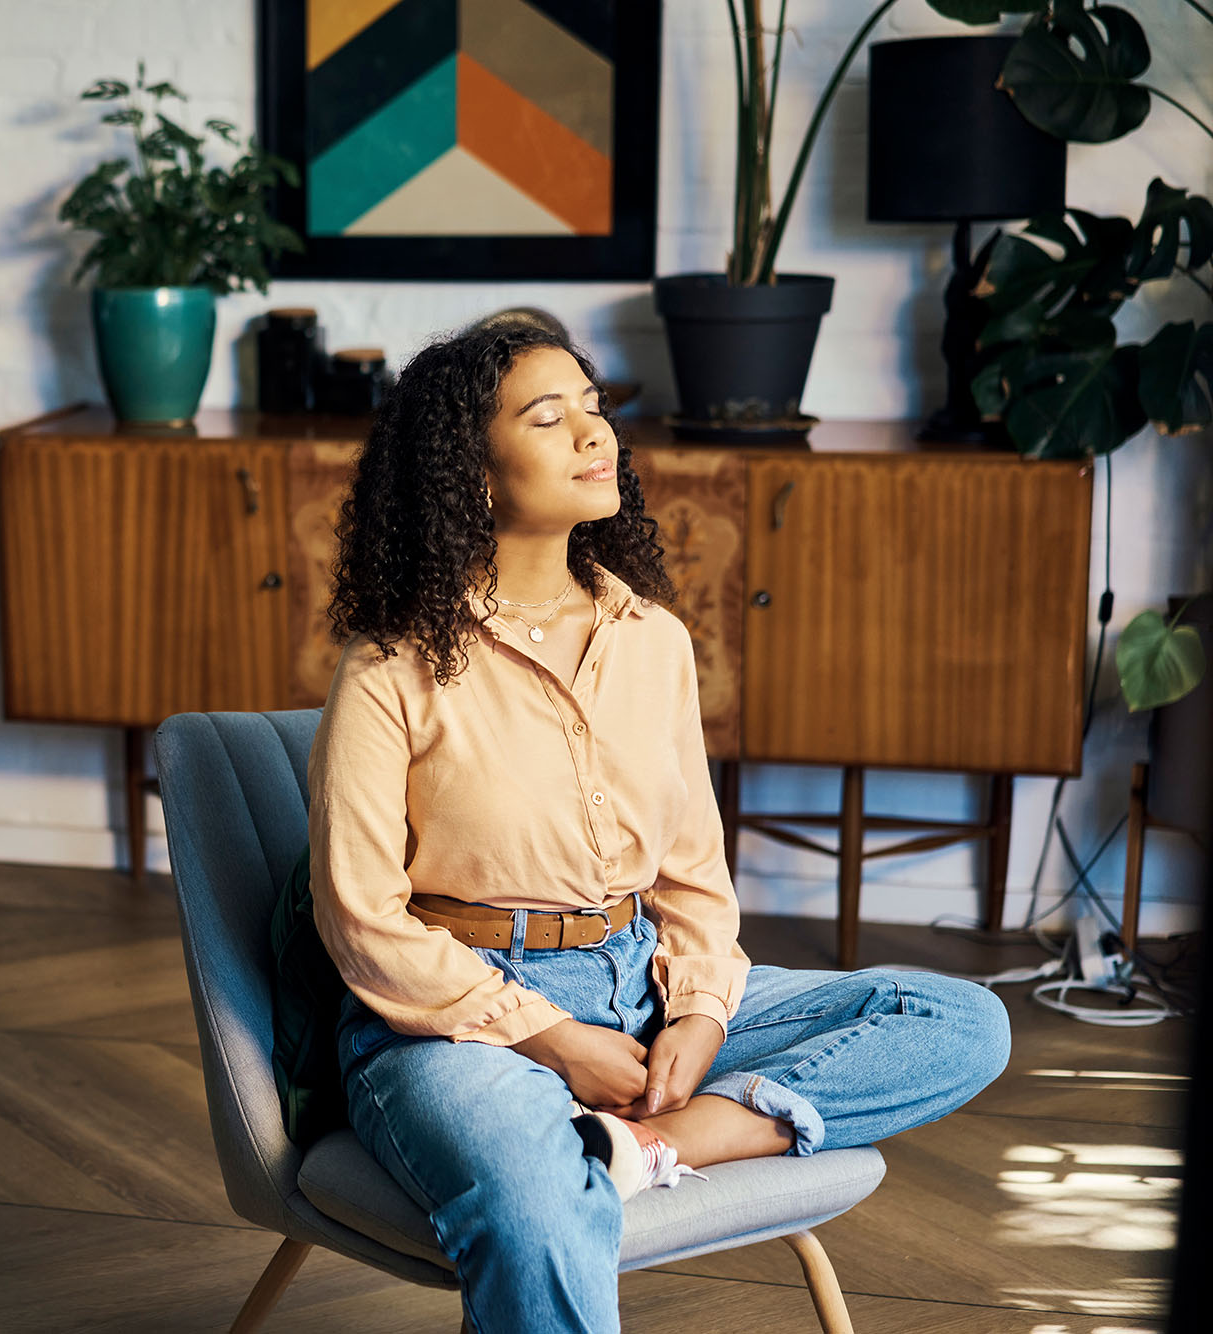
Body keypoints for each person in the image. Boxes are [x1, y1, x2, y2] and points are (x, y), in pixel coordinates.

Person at [306, 317, 1012, 1333]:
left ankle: (656, 1143)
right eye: (548, 418)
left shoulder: (653, 641)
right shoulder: (392, 666)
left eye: (593, 409)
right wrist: (551, 1039)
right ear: (469, 468)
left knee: (959, 1020)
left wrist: (697, 1017)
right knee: (535, 1194)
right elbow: (360, 918)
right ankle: (601, 1145)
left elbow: (691, 876)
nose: (594, 434)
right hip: (452, 1019)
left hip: (641, 984)